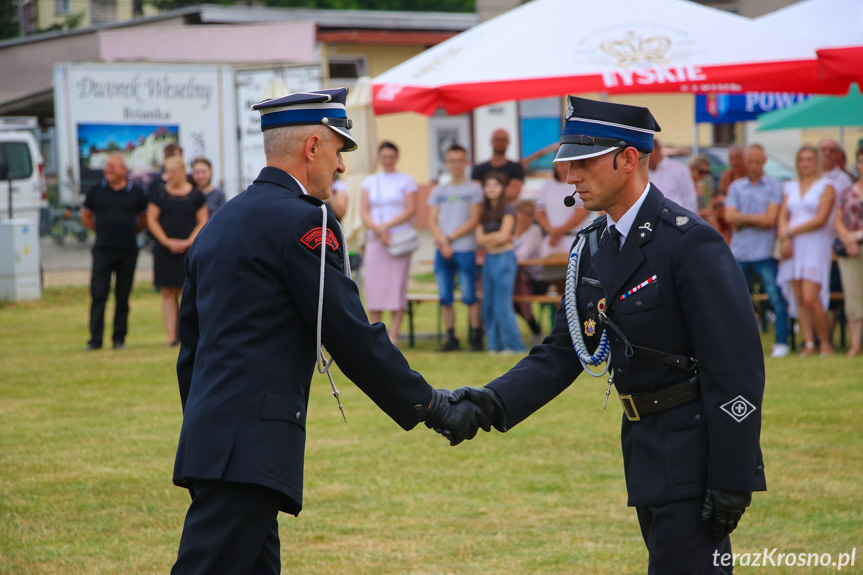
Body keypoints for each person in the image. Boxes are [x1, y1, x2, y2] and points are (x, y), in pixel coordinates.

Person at [444, 96, 767, 574]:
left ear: (628, 159)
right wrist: (487, 403)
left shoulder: (689, 241)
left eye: (583, 163)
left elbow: (736, 366)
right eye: (568, 164)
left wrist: (734, 475)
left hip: (695, 454)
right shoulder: (595, 245)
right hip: (644, 448)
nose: (570, 176)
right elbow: (563, 350)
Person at [170, 88, 485, 575]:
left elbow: (191, 347)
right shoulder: (306, 220)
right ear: (312, 147)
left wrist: (207, 426)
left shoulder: (220, 221)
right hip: (251, 448)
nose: (341, 168)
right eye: (339, 152)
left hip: (214, 441)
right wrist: (432, 405)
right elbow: (350, 334)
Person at [724, 144, 789, 358]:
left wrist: (742, 220)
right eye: (749, 161)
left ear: (764, 162)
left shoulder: (774, 186)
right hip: (740, 252)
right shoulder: (736, 187)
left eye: (756, 161)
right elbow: (729, 217)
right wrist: (756, 219)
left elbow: (770, 219)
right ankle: (736, 343)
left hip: (764, 252)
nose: (753, 166)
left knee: (776, 297)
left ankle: (781, 341)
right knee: (734, 299)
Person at [80, 152, 148, 351]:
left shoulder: (135, 191)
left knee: (123, 296)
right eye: (107, 166)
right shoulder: (95, 190)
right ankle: (95, 340)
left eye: (113, 166)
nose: (108, 170)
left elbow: (143, 219)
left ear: (123, 170)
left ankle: (119, 339)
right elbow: (86, 217)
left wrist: (129, 231)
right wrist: (101, 230)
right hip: (102, 250)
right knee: (99, 294)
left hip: (128, 250)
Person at [777, 145, 837, 356]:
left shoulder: (826, 185)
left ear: (817, 161)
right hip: (793, 246)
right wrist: (785, 236)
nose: (805, 163)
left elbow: (821, 219)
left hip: (815, 244)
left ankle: (826, 342)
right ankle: (809, 342)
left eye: (810, 159)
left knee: (812, 297)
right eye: (802, 159)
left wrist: (790, 231)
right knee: (800, 297)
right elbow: (783, 215)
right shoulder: (790, 186)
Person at [359, 141, 418, 346]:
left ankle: (394, 334)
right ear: (379, 157)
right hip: (377, 239)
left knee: (396, 285)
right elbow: (364, 210)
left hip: (398, 239)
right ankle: (376, 330)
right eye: (384, 156)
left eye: (391, 156)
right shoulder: (370, 181)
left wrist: (387, 226)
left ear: (397, 157)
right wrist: (378, 229)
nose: (388, 160)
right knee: (374, 286)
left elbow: (411, 209)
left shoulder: (406, 181)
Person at [427, 144, 484, 352]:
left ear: (466, 162)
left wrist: (448, 239)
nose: (456, 165)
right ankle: (451, 337)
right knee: (445, 296)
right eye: (452, 161)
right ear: (446, 163)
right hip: (442, 250)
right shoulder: (439, 190)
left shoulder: (474, 189)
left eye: (460, 160)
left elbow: (473, 220)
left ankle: (476, 337)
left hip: (465, 249)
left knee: (469, 295)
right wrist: (442, 242)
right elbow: (431, 220)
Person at [147, 156, 208, 346]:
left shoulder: (196, 195)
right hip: (165, 251)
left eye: (173, 171)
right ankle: (171, 336)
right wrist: (166, 242)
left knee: (187, 291)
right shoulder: (159, 194)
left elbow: (203, 221)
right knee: (167, 292)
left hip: (189, 250)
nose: (169, 175)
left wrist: (190, 242)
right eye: (167, 171)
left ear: (183, 173)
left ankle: (187, 336)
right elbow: (152, 219)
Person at [476, 171, 526, 355]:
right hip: (489, 259)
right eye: (488, 185)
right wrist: (494, 238)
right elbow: (479, 240)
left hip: (505, 258)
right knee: (488, 304)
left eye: (495, 185)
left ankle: (514, 346)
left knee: (502, 305)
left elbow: (505, 236)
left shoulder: (508, 209)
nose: (491, 189)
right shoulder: (482, 210)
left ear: (503, 188)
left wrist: (491, 239)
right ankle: (494, 345)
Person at [835, 146, 863, 356]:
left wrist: (858, 236)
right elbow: (837, 219)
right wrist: (848, 239)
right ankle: (855, 345)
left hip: (857, 240)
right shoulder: (847, 192)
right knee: (853, 298)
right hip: (850, 250)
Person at [536, 159, 594, 257]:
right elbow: (540, 211)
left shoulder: (578, 184)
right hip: (551, 241)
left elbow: (581, 211)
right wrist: (551, 230)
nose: (562, 167)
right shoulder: (547, 185)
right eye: (559, 164)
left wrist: (560, 231)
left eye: (565, 164)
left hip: (572, 238)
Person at [512, 198, 546, 345]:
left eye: (528, 214)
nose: (523, 216)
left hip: (536, 278)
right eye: (521, 212)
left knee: (515, 296)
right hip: (515, 276)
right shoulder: (510, 230)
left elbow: (522, 256)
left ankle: (535, 329)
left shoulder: (534, 231)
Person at [471, 129, 525, 203]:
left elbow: (513, 194)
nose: (500, 143)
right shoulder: (479, 168)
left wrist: (488, 192)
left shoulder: (516, 168)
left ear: (508, 142)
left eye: (503, 140)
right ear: (491, 141)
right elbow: (476, 194)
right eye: (497, 139)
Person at [648, 139, 698, 213]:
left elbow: (690, 199)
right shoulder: (641, 171)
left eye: (651, 157)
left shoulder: (679, 169)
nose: (649, 161)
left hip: (675, 218)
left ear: (659, 151)